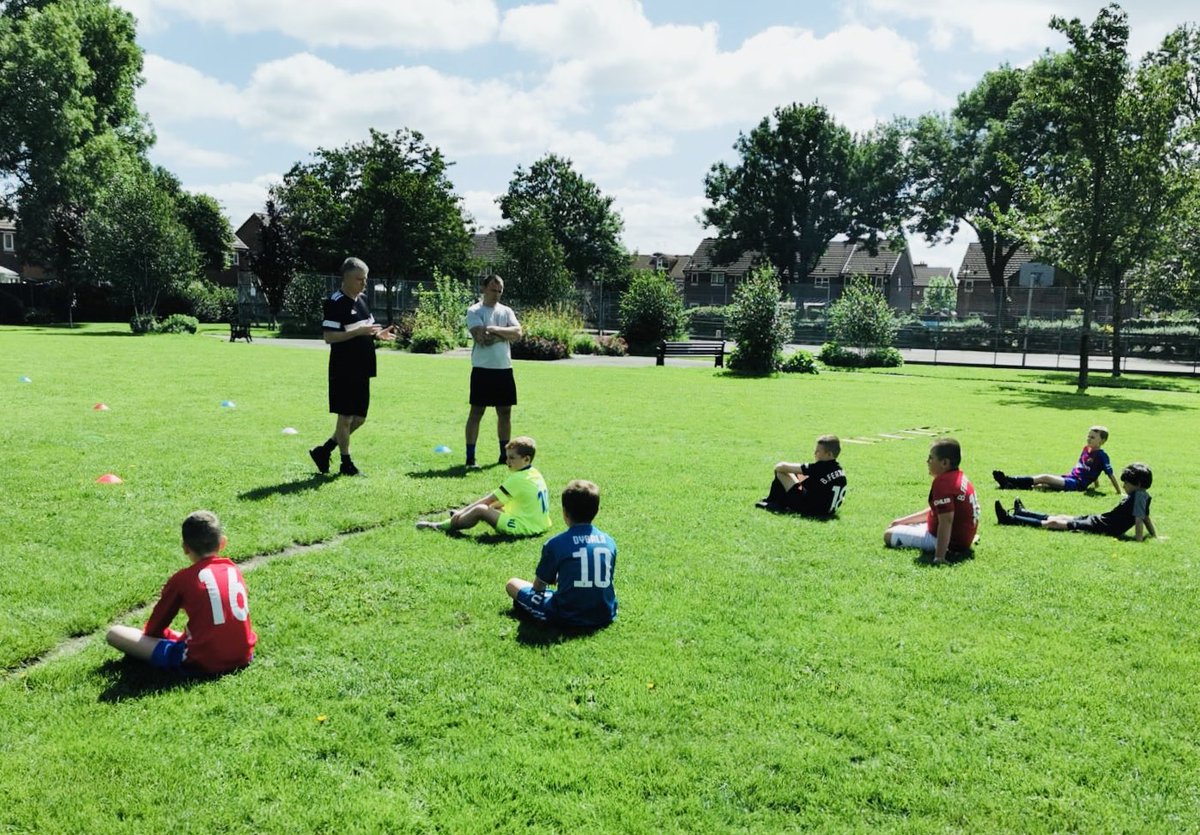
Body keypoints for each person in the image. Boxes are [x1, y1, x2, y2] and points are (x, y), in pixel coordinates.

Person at [106, 511, 256, 675]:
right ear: (222, 543)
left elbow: (154, 629)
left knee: (114, 633)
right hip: (244, 655)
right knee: (196, 635)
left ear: (185, 548)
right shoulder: (233, 569)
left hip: (202, 661)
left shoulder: (182, 579)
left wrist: (161, 636)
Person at [309, 257, 396, 477]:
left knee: (359, 418)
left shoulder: (362, 299)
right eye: (359, 279)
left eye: (365, 279)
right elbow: (329, 337)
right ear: (346, 278)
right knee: (345, 417)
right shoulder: (335, 302)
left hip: (363, 367)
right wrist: (356, 333)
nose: (363, 284)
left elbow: (368, 327)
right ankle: (346, 463)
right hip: (343, 368)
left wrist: (379, 334)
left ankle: (324, 450)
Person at [507, 479, 617, 629]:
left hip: (566, 615)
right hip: (605, 613)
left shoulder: (556, 544)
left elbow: (539, 587)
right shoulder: (609, 541)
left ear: (565, 511)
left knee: (512, 584)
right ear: (596, 511)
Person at [417, 436, 550, 536]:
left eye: (512, 458)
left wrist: (462, 512)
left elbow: (488, 500)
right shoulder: (534, 472)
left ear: (526, 459)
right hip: (540, 524)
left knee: (480, 509)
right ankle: (459, 518)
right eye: (507, 457)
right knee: (497, 504)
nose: (507, 461)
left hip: (525, 527)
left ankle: (441, 526)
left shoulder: (517, 478)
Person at [995, 462, 1157, 541]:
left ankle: (1010, 519)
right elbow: (1145, 517)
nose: (1123, 486)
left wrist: (1139, 540)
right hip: (1099, 520)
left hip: (1100, 526)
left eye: (1126, 483)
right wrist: (1154, 535)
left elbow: (1139, 519)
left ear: (1139, 484)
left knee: (1054, 523)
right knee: (1061, 516)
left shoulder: (1140, 496)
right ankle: (1023, 513)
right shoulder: (1142, 496)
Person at [884, 437, 980, 565]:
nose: (927, 461)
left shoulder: (943, 483)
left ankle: (941, 550)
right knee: (899, 525)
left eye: (931, 458)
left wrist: (939, 556)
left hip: (950, 542)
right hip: (962, 538)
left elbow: (946, 521)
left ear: (944, 463)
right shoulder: (958, 476)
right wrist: (902, 521)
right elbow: (938, 512)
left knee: (888, 535)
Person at [464, 274, 522, 469]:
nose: (496, 294)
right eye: (493, 290)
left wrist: (494, 329)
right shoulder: (474, 311)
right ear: (483, 289)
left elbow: (518, 332)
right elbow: (481, 338)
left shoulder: (506, 311)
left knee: (505, 412)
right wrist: (505, 334)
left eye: (500, 291)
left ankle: (503, 456)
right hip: (482, 369)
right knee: (477, 412)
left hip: (504, 369)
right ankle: (470, 458)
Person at [992, 426, 1121, 493]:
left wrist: (1119, 492)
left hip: (1077, 484)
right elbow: (1091, 468)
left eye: (1093, 437)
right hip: (1070, 478)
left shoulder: (1102, 455)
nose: (1089, 439)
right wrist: (1095, 485)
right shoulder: (1086, 449)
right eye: (1088, 436)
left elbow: (1110, 474)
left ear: (1102, 441)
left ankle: (1009, 479)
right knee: (1042, 485)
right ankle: (1009, 486)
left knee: (1045, 477)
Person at [756, 434, 847, 517]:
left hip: (810, 510)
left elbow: (780, 466)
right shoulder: (840, 470)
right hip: (827, 511)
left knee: (781, 472)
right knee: (797, 474)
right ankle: (776, 501)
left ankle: (775, 503)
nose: (815, 453)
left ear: (829, 454)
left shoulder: (819, 467)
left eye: (818, 451)